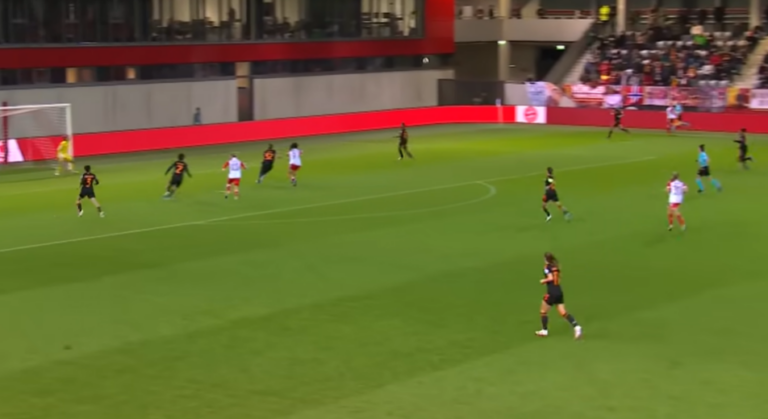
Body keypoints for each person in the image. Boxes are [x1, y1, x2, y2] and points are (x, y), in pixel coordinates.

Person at [535, 252, 582, 339]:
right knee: (563, 312)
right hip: (559, 291)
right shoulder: (555, 267)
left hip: (552, 292)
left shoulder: (547, 267)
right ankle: (576, 326)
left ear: (545, 259)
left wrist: (543, 281)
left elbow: (550, 278)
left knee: (543, 311)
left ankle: (544, 330)